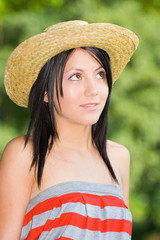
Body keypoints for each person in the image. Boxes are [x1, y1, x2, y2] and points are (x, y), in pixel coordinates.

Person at [0, 20, 139, 240]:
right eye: (76, 76)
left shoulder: (119, 157)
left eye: (100, 74)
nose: (93, 90)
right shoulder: (25, 154)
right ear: (45, 92)